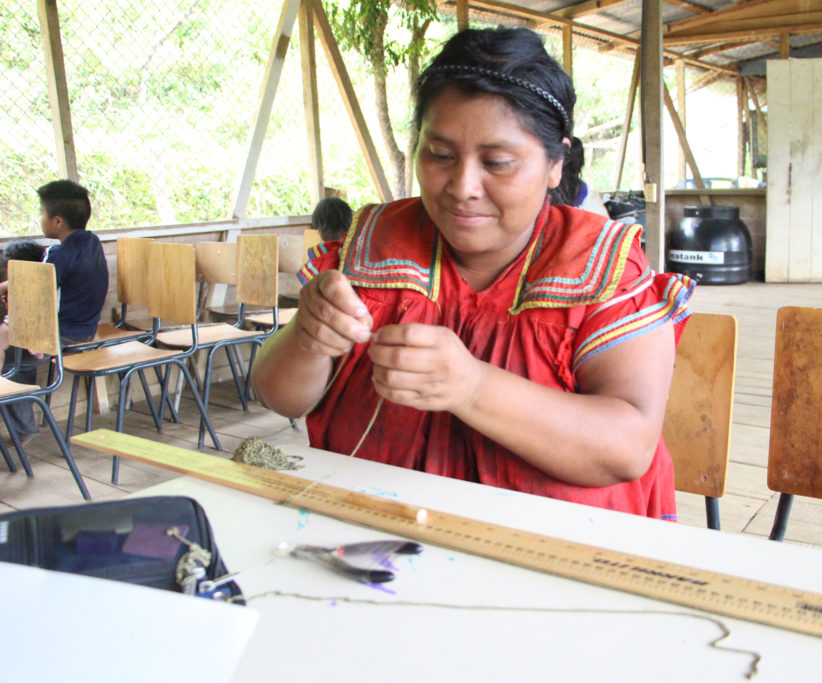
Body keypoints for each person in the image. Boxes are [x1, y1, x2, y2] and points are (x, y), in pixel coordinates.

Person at [253, 27, 695, 520]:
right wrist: (307, 339)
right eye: (439, 155)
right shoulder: (371, 247)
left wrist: (473, 387)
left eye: (498, 163)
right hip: (376, 530)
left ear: (555, 164)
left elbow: (628, 446)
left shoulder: (601, 267)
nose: (462, 187)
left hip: (555, 547)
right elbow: (279, 396)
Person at [0, 180, 109, 440]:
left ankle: (21, 426)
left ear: (57, 221)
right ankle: (22, 428)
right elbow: (32, 281)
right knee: (19, 362)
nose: (40, 218)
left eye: (41, 213)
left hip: (63, 333)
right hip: (85, 330)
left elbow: (33, 293)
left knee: (7, 355)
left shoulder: (57, 254)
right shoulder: (92, 243)